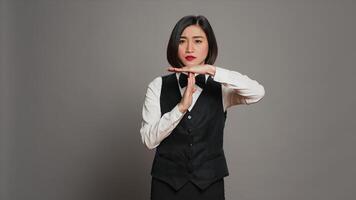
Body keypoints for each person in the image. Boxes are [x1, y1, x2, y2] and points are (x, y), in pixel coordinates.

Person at [140, 15, 265, 200]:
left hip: (209, 186)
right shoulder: (157, 86)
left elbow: (257, 92)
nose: (190, 48)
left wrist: (212, 70)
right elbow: (149, 140)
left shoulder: (221, 88)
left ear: (209, 46)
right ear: (174, 46)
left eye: (198, 41)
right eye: (182, 41)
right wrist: (180, 108)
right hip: (166, 185)